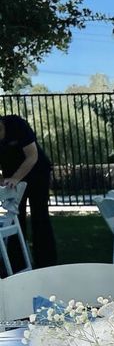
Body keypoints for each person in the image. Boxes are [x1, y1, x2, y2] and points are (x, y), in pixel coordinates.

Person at [0, 114, 57, 268]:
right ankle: (16, 263)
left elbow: (32, 156)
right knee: (17, 217)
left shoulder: (16, 124)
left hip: (38, 172)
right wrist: (4, 180)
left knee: (40, 216)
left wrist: (16, 178)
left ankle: (46, 262)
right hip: (13, 177)